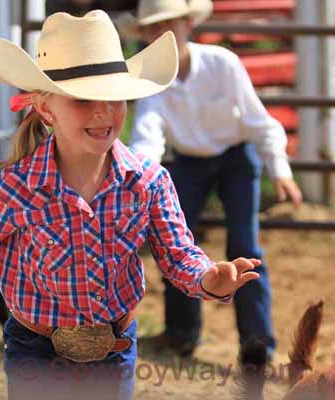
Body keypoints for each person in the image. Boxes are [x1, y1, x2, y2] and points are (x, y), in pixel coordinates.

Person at [0, 10, 262, 400]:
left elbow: (177, 255)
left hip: (112, 348)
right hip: (36, 353)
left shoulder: (148, 183)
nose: (103, 111)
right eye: (84, 100)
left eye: (114, 98)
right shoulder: (15, 189)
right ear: (46, 109)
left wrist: (207, 278)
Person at [125, 0, 303, 358]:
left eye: (169, 24)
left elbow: (258, 121)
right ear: (144, 34)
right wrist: (138, 179)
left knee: (245, 247)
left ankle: (256, 347)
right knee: (175, 244)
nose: (162, 34)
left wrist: (279, 169)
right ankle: (181, 335)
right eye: (154, 27)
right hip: (187, 163)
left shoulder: (224, 64)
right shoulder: (150, 80)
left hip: (236, 158)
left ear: (189, 24)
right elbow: (147, 135)